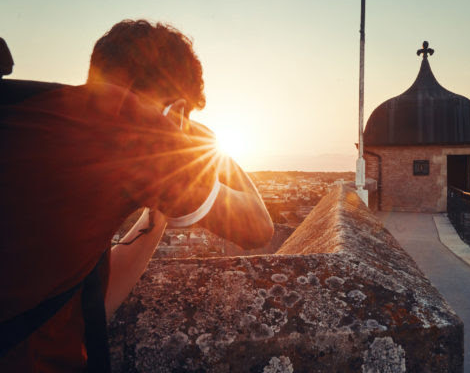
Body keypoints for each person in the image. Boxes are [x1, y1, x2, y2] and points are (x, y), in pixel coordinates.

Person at [0, 19, 273, 372]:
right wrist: (211, 149)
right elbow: (257, 227)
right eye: (183, 116)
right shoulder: (133, 127)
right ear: (174, 109)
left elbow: (90, 299)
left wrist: (157, 213)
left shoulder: (36, 110)